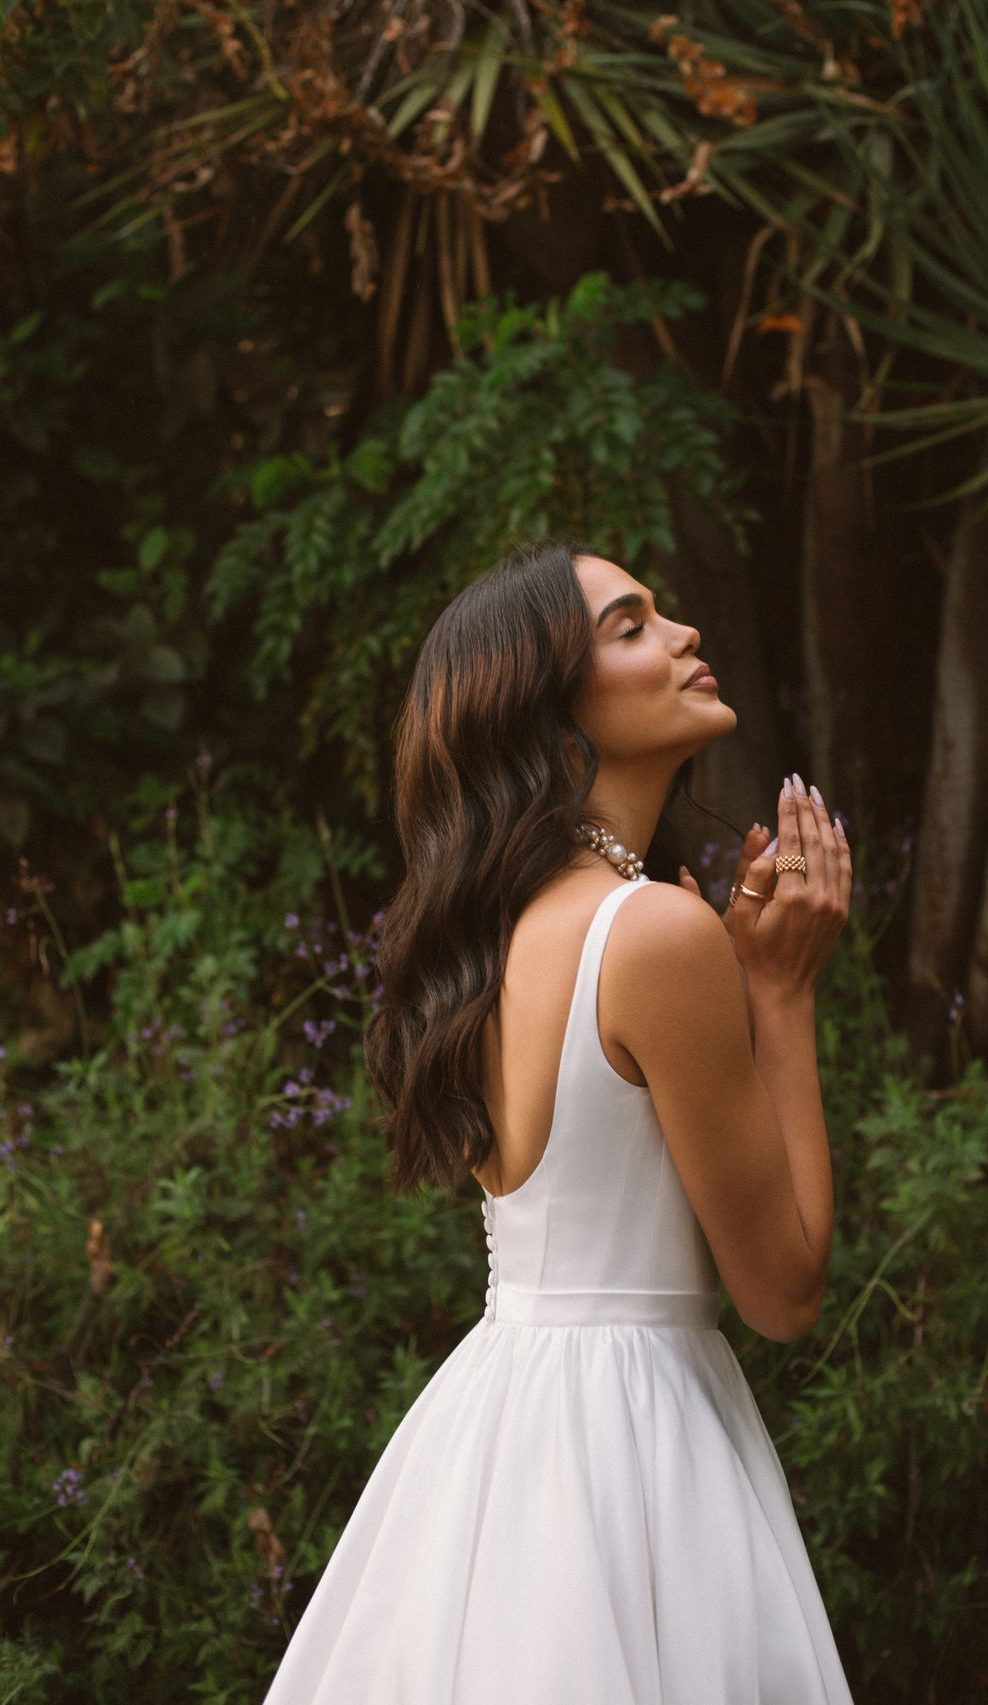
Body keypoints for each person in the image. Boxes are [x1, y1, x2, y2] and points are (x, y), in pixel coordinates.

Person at [262, 537, 856, 1704]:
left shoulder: (496, 940)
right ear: (551, 715)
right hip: (634, 1448)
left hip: (495, 1434)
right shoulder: (653, 936)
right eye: (631, 627)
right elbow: (784, 1292)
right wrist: (780, 994)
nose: (683, 635)